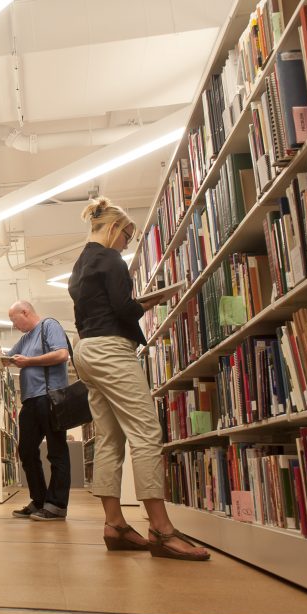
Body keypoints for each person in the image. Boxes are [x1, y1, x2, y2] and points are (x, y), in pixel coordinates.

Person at [67, 196, 209, 560]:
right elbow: (122, 308)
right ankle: (161, 529)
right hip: (111, 351)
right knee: (146, 433)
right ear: (115, 228)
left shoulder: (80, 264)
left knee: (109, 439)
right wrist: (149, 301)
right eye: (127, 238)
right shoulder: (111, 259)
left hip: (85, 350)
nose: (126, 245)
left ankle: (114, 524)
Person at [0, 301, 71, 521]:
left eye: (13, 319)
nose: (13, 325)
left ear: (25, 312)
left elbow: (62, 355)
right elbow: (10, 360)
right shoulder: (25, 339)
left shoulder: (49, 325)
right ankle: (39, 501)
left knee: (56, 451)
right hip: (30, 401)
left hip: (50, 397)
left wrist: (29, 362)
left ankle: (56, 505)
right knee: (25, 451)